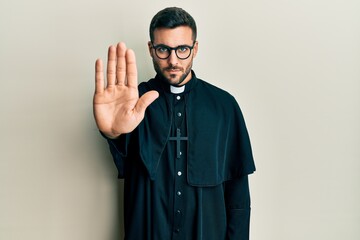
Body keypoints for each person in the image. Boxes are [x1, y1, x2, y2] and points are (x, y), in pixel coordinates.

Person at [93, 7, 256, 240]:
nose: (173, 60)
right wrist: (112, 133)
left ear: (195, 49)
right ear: (151, 49)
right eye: (163, 49)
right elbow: (124, 160)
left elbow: (238, 198)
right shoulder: (131, 103)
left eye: (182, 49)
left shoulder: (224, 106)